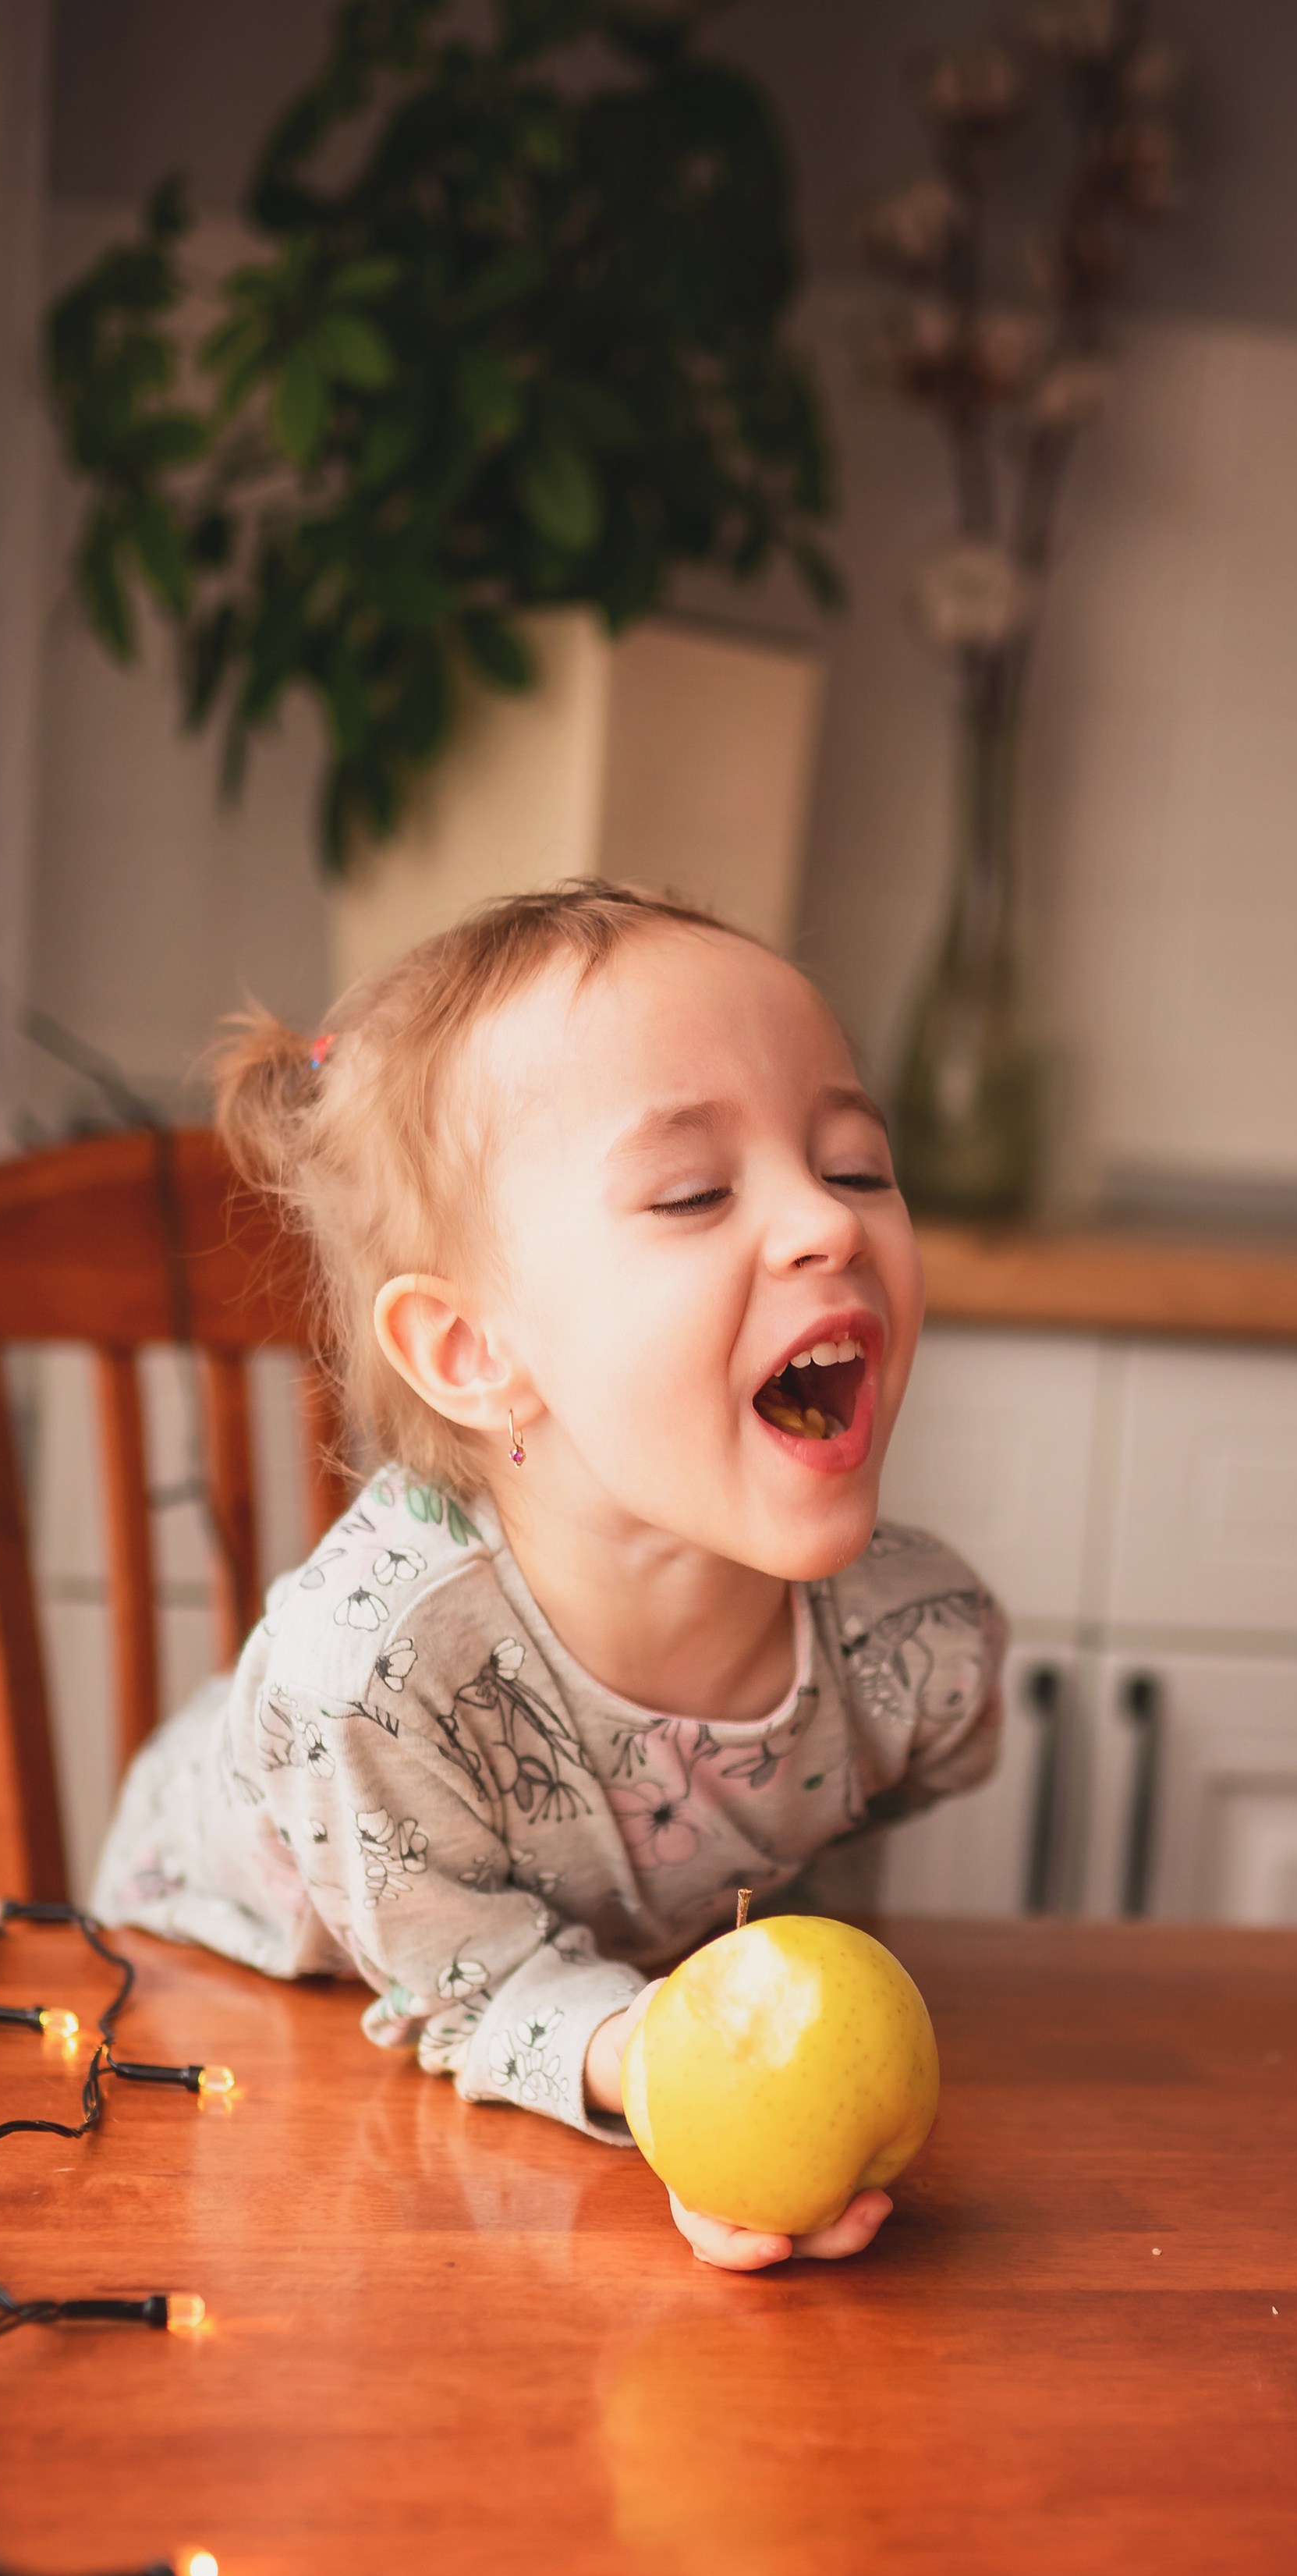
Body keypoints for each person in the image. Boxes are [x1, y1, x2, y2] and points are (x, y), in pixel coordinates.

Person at [94, 882, 1006, 2269]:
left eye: (857, 1167)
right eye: (696, 1191)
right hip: (257, 1985)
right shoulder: (363, 1687)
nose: (826, 1225)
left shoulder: (916, 1646)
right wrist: (680, 2086)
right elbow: (468, 1989)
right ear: (473, 1354)